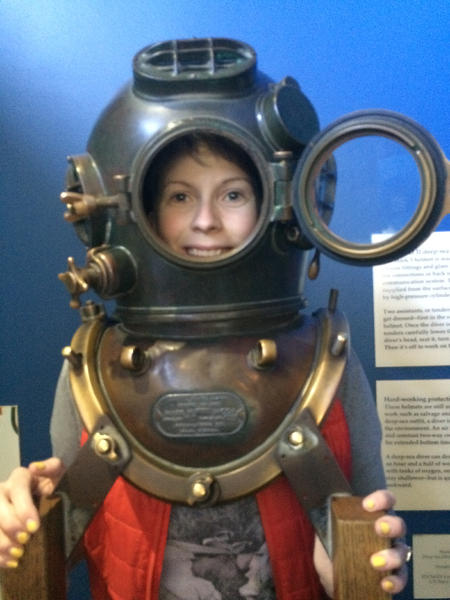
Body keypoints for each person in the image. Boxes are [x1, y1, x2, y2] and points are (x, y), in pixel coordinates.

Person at [0, 133, 409, 599]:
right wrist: (24, 524)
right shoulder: (91, 370)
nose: (206, 221)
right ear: (145, 213)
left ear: (277, 207)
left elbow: (367, 534)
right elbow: (67, 548)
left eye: (233, 195)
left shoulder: (327, 363)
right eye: (180, 197)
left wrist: (357, 572)